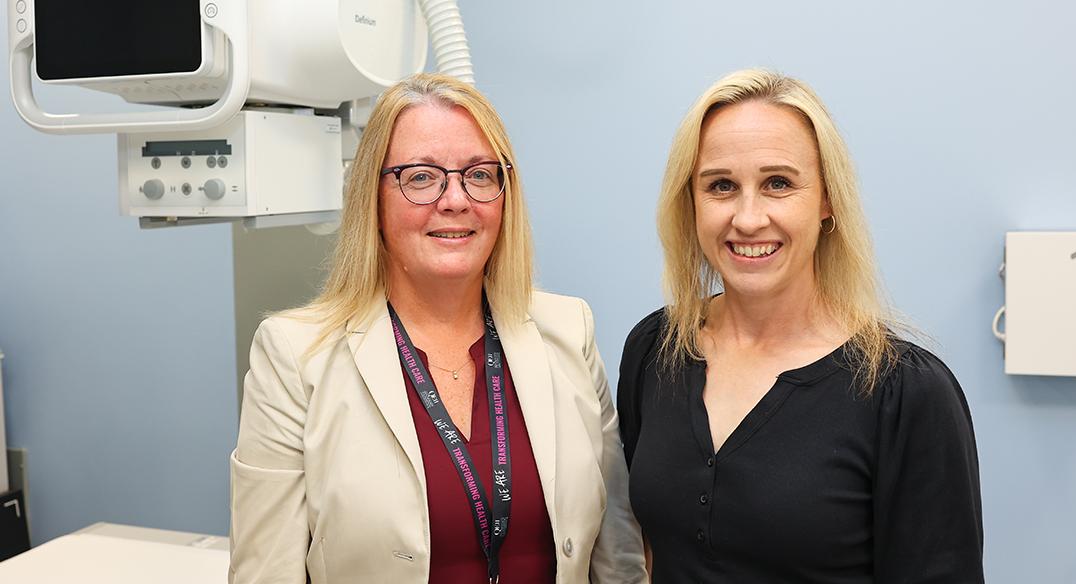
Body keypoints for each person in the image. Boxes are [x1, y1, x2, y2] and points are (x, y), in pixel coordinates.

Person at [229, 73, 646, 584]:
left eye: (479, 175)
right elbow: (265, 573)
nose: (455, 199)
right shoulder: (295, 356)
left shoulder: (568, 332)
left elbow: (618, 560)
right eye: (421, 177)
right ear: (373, 199)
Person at [617, 69, 984, 583]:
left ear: (827, 201)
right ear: (692, 203)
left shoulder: (904, 393)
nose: (748, 219)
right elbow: (651, 550)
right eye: (721, 186)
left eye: (778, 184)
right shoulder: (657, 350)